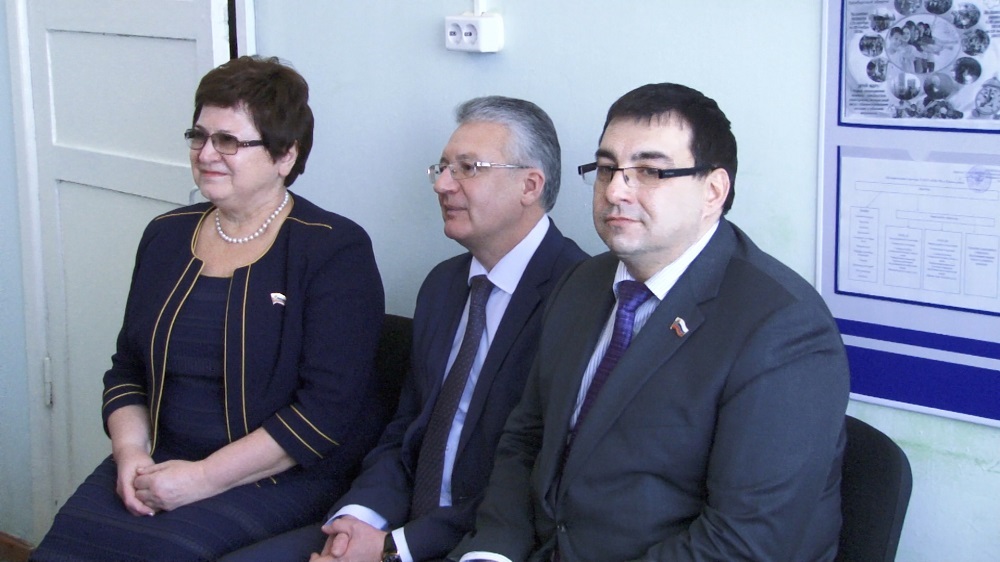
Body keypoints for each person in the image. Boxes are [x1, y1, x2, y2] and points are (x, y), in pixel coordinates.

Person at [451, 83, 850, 561]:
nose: (615, 191)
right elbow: (526, 440)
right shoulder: (581, 282)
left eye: (649, 171)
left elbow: (743, 542)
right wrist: (492, 552)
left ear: (713, 192)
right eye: (606, 169)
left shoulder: (783, 328)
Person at [31, 55, 386, 561]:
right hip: (160, 461)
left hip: (276, 477)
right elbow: (128, 369)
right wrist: (130, 455)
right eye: (198, 136)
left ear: (285, 155)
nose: (206, 154)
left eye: (229, 141)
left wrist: (201, 479)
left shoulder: (332, 249)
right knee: (62, 549)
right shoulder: (167, 234)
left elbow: (324, 414)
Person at [221, 96, 587, 562]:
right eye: (443, 167)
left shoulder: (579, 297)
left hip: (484, 542)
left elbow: (542, 476)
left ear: (530, 185)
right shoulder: (443, 285)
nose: (442, 185)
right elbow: (405, 430)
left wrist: (395, 548)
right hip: (394, 521)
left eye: (467, 168)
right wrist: (360, 518)